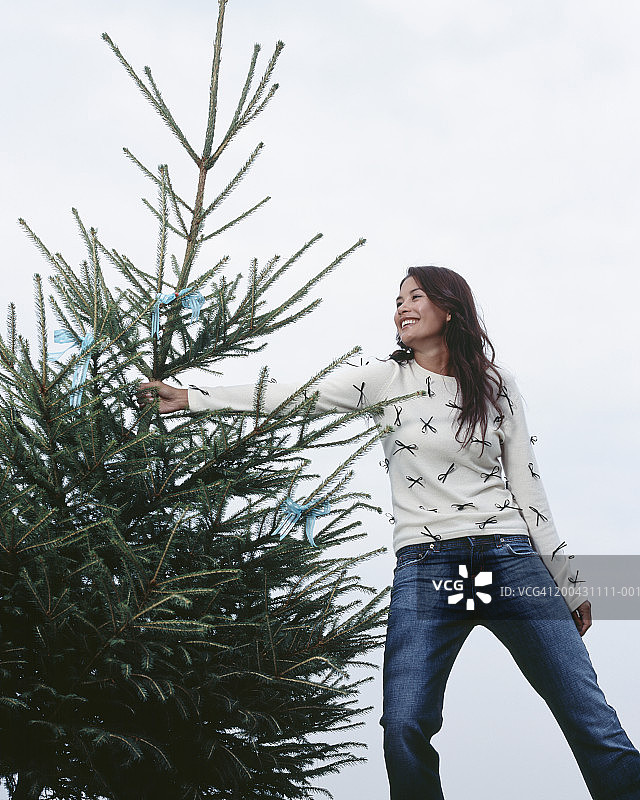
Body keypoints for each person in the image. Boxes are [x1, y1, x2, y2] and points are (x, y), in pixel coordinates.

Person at [138, 266, 640, 799]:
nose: (402, 307)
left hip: (508, 556)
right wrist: (193, 398)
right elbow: (300, 395)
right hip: (428, 568)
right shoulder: (385, 379)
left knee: (588, 715)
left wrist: (570, 581)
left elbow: (529, 486)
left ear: (449, 308)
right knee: (404, 725)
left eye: (415, 296)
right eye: (397, 299)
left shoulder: (495, 384)